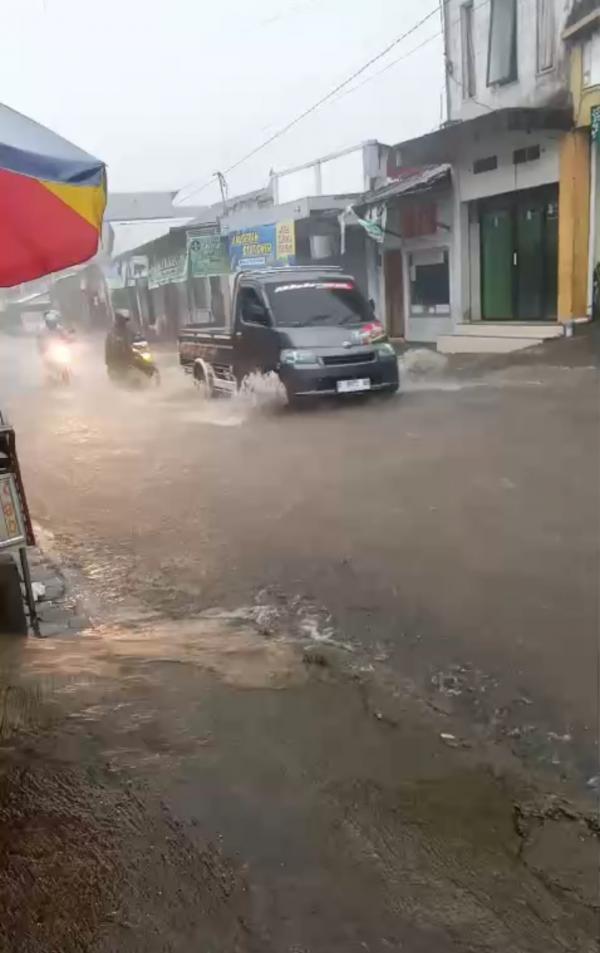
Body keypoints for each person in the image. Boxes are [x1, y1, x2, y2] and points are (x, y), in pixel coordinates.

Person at [105, 311, 134, 377]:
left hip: (131, 358)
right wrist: (109, 364)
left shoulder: (130, 331)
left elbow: (138, 339)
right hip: (117, 360)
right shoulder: (112, 333)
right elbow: (108, 350)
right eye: (121, 320)